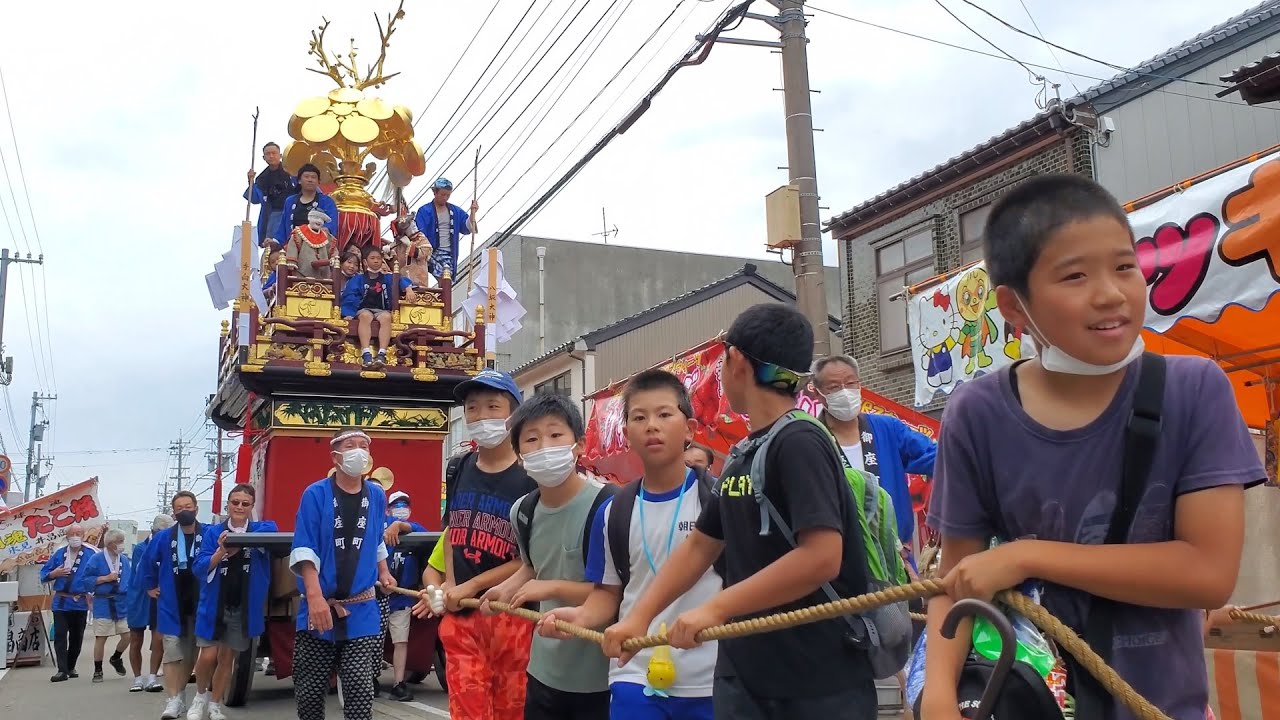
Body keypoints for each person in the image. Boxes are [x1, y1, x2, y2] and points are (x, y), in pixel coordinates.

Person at [921, 174, 1265, 720]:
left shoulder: (1194, 388)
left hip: (1163, 707)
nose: (1111, 293)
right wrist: (938, 695)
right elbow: (956, 581)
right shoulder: (976, 412)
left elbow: (1208, 574)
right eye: (1075, 275)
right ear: (1013, 306)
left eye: (1125, 267)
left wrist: (1026, 555)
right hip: (1026, 703)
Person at [604, 303, 879, 719]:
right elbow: (701, 545)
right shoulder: (743, 454)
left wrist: (716, 607)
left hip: (817, 680)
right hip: (746, 676)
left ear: (735, 362)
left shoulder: (801, 441)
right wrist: (639, 617)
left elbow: (822, 556)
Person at [541, 370, 721, 720]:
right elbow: (607, 595)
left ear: (689, 429)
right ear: (625, 434)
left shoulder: (716, 500)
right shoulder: (614, 512)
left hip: (711, 676)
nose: (651, 425)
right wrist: (578, 616)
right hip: (633, 671)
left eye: (664, 414)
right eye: (639, 417)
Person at [410, 369, 536, 720]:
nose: (481, 417)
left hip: (512, 618)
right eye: (472, 408)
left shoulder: (532, 478)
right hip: (461, 617)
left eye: (493, 407)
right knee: (466, 711)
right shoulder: (459, 467)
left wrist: (472, 585)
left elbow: (530, 559)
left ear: (514, 414)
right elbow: (452, 532)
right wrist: (447, 583)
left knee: (512, 711)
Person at [480, 394, 615, 720]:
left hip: (603, 678)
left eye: (556, 435)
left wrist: (551, 587)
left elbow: (617, 591)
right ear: (519, 455)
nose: (544, 447)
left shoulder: (610, 507)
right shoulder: (522, 512)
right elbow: (532, 566)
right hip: (542, 672)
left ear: (580, 444)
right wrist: (505, 589)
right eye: (531, 439)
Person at [289, 427, 398, 720]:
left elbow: (375, 539)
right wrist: (314, 597)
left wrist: (384, 573)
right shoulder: (315, 493)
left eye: (364, 445)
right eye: (351, 445)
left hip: (361, 608)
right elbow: (305, 547)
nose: (359, 451)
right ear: (335, 455)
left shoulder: (375, 495)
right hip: (319, 605)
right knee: (310, 692)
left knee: (360, 690)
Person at [811, 355, 936, 548]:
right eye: (834, 387)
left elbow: (938, 457)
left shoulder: (888, 429)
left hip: (896, 552)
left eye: (850, 383)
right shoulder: (813, 440)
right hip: (841, 555)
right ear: (818, 394)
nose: (845, 392)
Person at [188, 484, 277, 720]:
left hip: (243, 606)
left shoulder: (262, 529)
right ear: (228, 504)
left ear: (251, 507)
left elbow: (273, 532)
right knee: (207, 656)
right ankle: (200, 697)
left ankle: (215, 703)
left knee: (227, 658)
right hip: (214, 604)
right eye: (235, 502)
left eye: (245, 503)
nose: (239, 507)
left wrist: (241, 539)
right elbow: (198, 567)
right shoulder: (212, 532)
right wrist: (220, 552)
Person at [142, 491, 206, 720]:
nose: (184, 511)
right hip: (171, 603)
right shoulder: (164, 537)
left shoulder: (207, 532)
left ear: (196, 508)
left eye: (188, 506)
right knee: (172, 654)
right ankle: (173, 700)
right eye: (179, 508)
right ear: (174, 512)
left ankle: (181, 695)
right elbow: (147, 562)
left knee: (190, 655)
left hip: (200, 603)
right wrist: (150, 587)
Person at [381, 490, 428, 702]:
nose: (401, 509)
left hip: (402, 599)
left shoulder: (414, 531)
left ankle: (398, 684)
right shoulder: (377, 527)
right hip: (376, 596)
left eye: (405, 505)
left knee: (401, 642)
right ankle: (368, 679)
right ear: (388, 509)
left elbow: (423, 532)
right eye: (396, 505)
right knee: (371, 641)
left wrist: (399, 526)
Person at [340, 245, 416, 368]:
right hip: (363, 310)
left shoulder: (387, 278)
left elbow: (401, 280)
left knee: (386, 317)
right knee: (365, 316)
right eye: (372, 258)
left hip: (382, 310)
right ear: (365, 262)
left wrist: (408, 289)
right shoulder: (358, 279)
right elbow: (350, 297)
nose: (376, 261)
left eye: (379, 258)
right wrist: (348, 313)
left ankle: (381, 354)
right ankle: (366, 354)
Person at [41, 523, 97, 682]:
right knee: (60, 635)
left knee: (76, 637)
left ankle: (71, 666)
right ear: (67, 536)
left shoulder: (91, 555)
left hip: (80, 602)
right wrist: (54, 573)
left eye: (78, 533)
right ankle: (62, 670)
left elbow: (96, 575)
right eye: (72, 534)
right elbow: (44, 573)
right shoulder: (59, 554)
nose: (75, 537)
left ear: (83, 535)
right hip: (61, 601)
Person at [76, 527, 132, 684]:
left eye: (122, 541)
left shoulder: (124, 560)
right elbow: (86, 581)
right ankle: (98, 669)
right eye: (118, 542)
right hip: (103, 601)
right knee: (101, 637)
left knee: (128, 635)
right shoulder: (96, 559)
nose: (121, 545)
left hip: (121, 602)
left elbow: (130, 581)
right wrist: (105, 578)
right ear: (109, 544)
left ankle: (116, 657)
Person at [129, 514, 174, 692]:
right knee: (136, 638)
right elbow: (140, 573)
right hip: (139, 597)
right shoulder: (141, 548)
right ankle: (137, 678)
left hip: (159, 598)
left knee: (158, 638)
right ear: (153, 531)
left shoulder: (170, 547)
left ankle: (152, 677)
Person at [412, 177, 476, 281]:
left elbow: (466, 227)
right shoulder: (424, 211)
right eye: (442, 194)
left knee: (447, 281)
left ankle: (444, 296)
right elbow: (420, 233)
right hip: (431, 252)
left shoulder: (455, 211)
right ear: (435, 193)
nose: (445, 197)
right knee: (430, 277)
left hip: (448, 254)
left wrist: (473, 213)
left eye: (448, 195)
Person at [273, 163, 339, 250]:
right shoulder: (290, 201)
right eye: (306, 177)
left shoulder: (327, 201)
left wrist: (325, 230)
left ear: (318, 181)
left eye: (313, 177)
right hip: (293, 246)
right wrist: (275, 241)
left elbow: (332, 223)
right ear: (299, 180)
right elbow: (282, 228)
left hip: (317, 246)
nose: (310, 180)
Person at [245, 142, 298, 247]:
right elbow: (254, 199)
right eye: (268, 154)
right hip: (273, 215)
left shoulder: (291, 171)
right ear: (264, 157)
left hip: (293, 211)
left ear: (280, 155)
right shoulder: (262, 178)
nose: (271, 156)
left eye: (274, 153)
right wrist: (250, 181)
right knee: (272, 246)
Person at [286, 208, 339, 280]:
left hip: (323, 273)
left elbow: (332, 249)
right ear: (309, 218)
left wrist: (334, 258)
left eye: (322, 219)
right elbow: (293, 246)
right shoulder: (300, 232)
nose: (319, 221)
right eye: (316, 218)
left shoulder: (326, 235)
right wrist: (292, 261)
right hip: (303, 270)